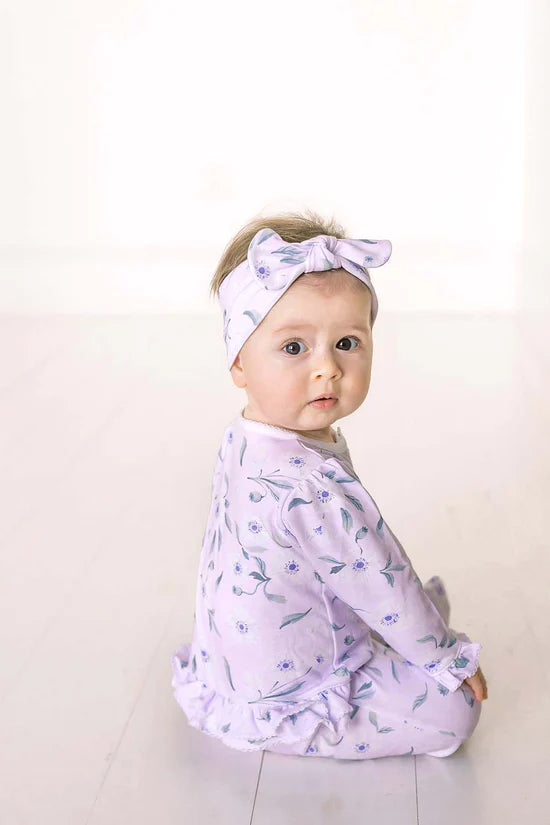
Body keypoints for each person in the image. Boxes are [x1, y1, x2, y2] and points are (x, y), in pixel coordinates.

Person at [170, 209, 488, 760]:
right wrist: (443, 658)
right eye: (294, 348)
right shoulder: (307, 482)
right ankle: (375, 673)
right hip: (292, 689)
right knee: (454, 712)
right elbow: (378, 578)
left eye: (347, 342)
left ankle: (398, 639)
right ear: (239, 360)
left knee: (405, 613)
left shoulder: (247, 437)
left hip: (234, 660)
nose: (328, 369)